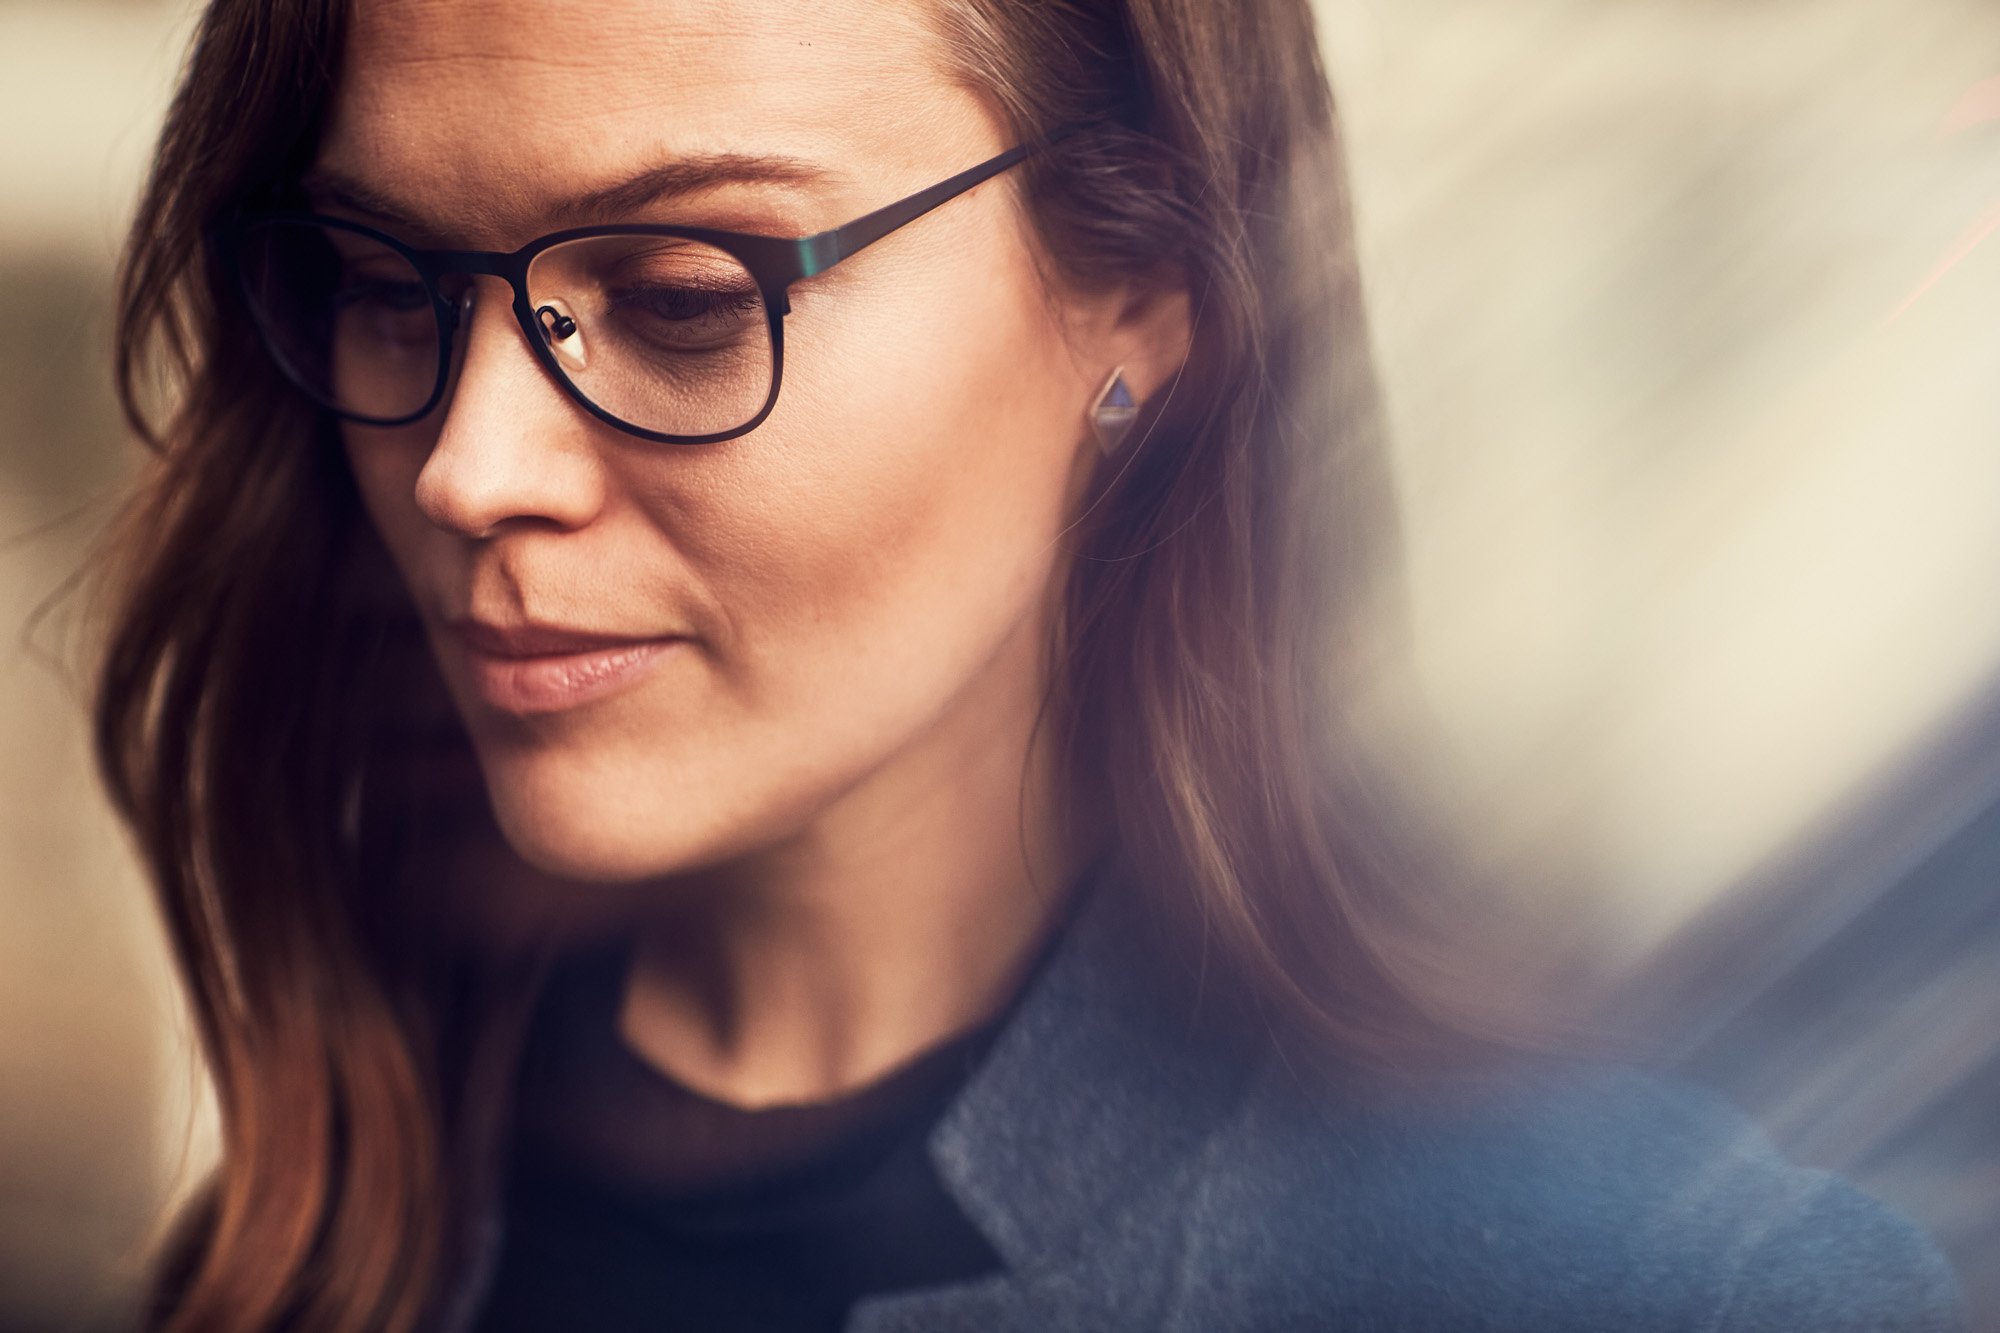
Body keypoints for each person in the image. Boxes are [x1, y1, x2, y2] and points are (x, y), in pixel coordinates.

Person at [94, 0, 1965, 1329]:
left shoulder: (1651, 1289)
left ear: (1144, 297)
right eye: (381, 280)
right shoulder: (320, 1227)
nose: (467, 468)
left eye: (685, 298)